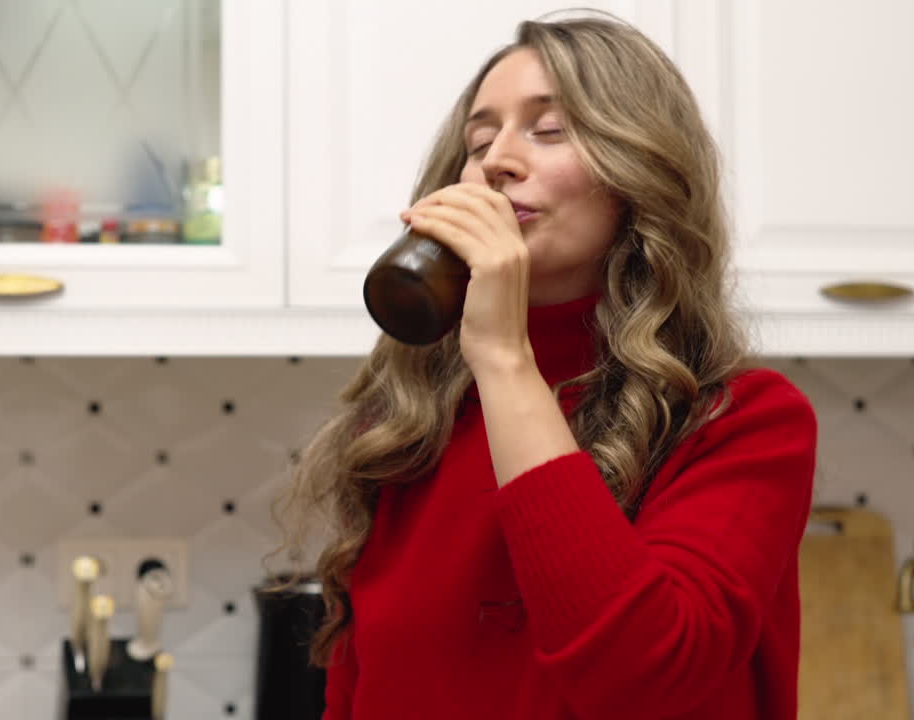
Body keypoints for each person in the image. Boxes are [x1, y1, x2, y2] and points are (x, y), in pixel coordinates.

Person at [275, 10, 817, 720]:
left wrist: (503, 358)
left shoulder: (745, 423)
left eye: (550, 129)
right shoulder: (405, 429)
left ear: (642, 174)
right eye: (478, 139)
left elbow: (642, 677)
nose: (497, 158)